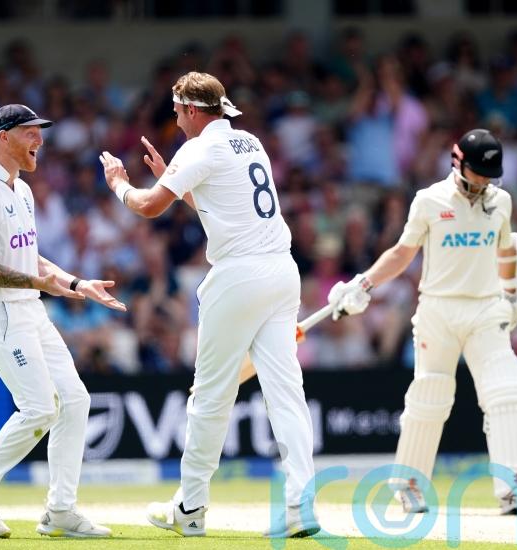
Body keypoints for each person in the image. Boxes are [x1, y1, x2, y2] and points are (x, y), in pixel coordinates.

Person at [99, 71, 318, 538]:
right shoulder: (250, 142)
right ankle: (300, 504)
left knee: (210, 396)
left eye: (178, 112)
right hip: (282, 272)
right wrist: (174, 179)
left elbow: (148, 206)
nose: (176, 120)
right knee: (286, 393)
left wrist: (118, 183)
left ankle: (190, 506)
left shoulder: (198, 149)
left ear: (192, 110)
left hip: (238, 277)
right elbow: (223, 206)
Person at [328, 129, 517, 515]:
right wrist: (364, 283)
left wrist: (511, 293)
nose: (484, 183)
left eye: (489, 176)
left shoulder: (501, 201)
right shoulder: (429, 200)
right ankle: (408, 485)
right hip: (438, 311)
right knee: (430, 396)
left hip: (485, 309)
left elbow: (507, 248)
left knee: (506, 393)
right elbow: (402, 253)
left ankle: (513, 487)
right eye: (478, 174)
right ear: (458, 164)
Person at [0, 104, 126, 539]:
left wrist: (76, 283)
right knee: (41, 408)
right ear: (3, 137)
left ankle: (60, 511)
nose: (39, 141)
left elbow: (30, 257)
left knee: (75, 400)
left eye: (40, 132)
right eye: (30, 132)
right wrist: (39, 283)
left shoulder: (21, 190)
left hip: (28, 308)